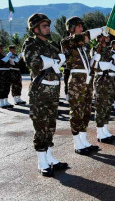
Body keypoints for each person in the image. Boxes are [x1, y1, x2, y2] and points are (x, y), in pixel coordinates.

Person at [22, 13, 68, 177]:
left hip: (53, 90)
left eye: (48, 25)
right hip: (40, 92)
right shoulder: (31, 44)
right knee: (41, 127)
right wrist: (54, 61)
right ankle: (42, 162)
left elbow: (62, 59)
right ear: (35, 29)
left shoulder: (50, 46)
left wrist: (54, 60)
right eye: (44, 26)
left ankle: (50, 157)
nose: (48, 28)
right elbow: (34, 64)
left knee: (50, 126)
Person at [61, 16, 107, 155]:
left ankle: (83, 140)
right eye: (79, 26)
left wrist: (95, 59)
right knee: (76, 112)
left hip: (87, 81)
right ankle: (77, 143)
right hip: (76, 81)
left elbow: (89, 67)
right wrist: (100, 30)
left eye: (82, 26)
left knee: (86, 111)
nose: (82, 28)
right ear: (71, 28)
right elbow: (85, 36)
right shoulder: (67, 42)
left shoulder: (83, 47)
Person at [92, 36, 115, 144]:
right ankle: (99, 132)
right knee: (100, 106)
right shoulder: (95, 49)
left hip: (110, 81)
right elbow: (95, 65)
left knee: (107, 106)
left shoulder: (109, 50)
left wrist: (112, 63)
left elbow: (114, 64)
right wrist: (108, 65)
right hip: (101, 81)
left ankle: (105, 130)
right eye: (105, 37)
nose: (107, 39)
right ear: (99, 39)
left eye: (108, 37)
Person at [0, 44, 13, 109]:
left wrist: (10, 59)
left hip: (7, 73)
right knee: (1, 87)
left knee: (6, 87)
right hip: (1, 73)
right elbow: (1, 62)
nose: (1, 49)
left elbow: (10, 64)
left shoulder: (3, 55)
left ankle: (6, 101)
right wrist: (7, 57)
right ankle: (1, 102)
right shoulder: (4, 56)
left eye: (2, 48)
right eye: (0, 48)